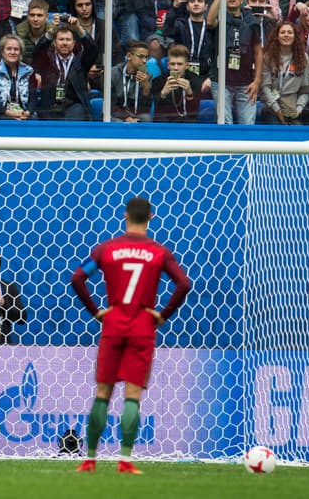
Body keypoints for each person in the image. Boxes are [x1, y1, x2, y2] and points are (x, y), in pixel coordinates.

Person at [70, 196, 191, 475]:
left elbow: (78, 277)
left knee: (102, 394)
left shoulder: (106, 249)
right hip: (142, 329)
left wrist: (96, 311)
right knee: (132, 396)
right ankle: (124, 461)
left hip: (112, 327)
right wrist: (162, 314)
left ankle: (89, 460)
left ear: (125, 216)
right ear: (151, 217)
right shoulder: (159, 252)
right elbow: (184, 283)